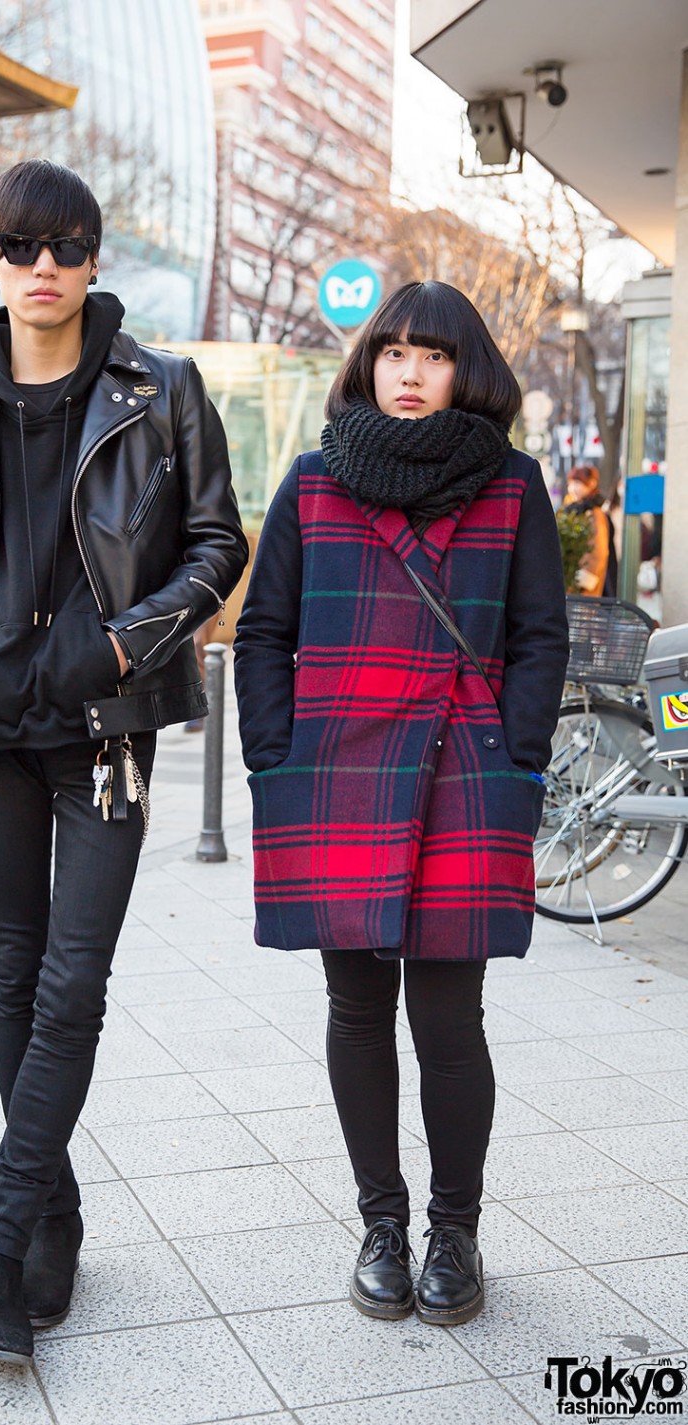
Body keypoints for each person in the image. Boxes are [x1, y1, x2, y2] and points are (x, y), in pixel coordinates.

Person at [0, 159, 247, 1365]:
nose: (44, 268)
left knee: (70, 988)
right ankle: (53, 1217)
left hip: (106, 731)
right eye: (21, 246)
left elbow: (214, 542)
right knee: (11, 979)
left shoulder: (161, 389)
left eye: (68, 246)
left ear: (95, 259)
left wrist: (116, 646)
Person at [234, 281, 569, 1328]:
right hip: (336, 767)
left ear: (464, 370)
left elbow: (538, 636)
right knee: (352, 1009)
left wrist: (513, 756)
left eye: (432, 355)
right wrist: (271, 756)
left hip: (460, 766)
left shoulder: (510, 487)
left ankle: (453, 1231)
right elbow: (263, 632)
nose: (410, 373)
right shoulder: (313, 481)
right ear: (365, 365)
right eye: (392, 352)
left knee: (448, 1018)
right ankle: (380, 1223)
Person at [561, 463, 612, 596]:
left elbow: (597, 552)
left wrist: (580, 585)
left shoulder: (593, 513)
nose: (573, 488)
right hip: (571, 581)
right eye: (571, 483)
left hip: (583, 588)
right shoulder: (572, 509)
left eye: (578, 484)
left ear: (592, 484)